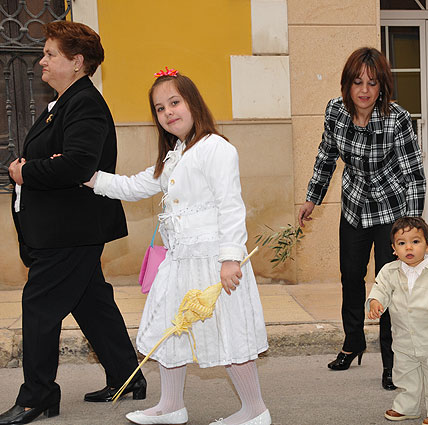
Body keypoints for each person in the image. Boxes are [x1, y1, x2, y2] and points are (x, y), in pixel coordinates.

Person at [84, 69, 270, 425]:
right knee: (169, 327)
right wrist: (91, 178)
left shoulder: (216, 148)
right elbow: (135, 186)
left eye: (174, 102)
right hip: (179, 260)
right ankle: (171, 406)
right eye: (159, 108)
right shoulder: (175, 155)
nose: (168, 112)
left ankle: (254, 410)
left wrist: (231, 259)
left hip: (212, 260)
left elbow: (231, 205)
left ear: (192, 103)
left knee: (228, 332)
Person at [1, 21, 145, 425]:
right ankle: (126, 376)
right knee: (91, 301)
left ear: (77, 62)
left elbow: (79, 163)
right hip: (67, 228)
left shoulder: (84, 103)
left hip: (71, 230)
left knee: (39, 307)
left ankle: (39, 395)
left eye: (50, 54)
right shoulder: (65, 103)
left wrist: (25, 173)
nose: (41, 61)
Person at [298, 47, 426, 390]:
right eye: (357, 82)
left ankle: (392, 361)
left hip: (391, 212)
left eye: (372, 83)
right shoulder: (335, 112)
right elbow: (326, 157)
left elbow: (413, 173)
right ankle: (353, 342)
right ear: (347, 85)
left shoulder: (397, 118)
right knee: (351, 278)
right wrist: (313, 197)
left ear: (382, 85)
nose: (365, 90)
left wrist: (412, 227)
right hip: (354, 207)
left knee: (389, 288)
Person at [367, 217, 428, 425]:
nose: (409, 247)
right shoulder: (389, 271)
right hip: (403, 338)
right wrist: (376, 301)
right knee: (405, 375)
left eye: (416, 241)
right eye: (402, 243)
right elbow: (381, 288)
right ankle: (407, 407)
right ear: (394, 248)